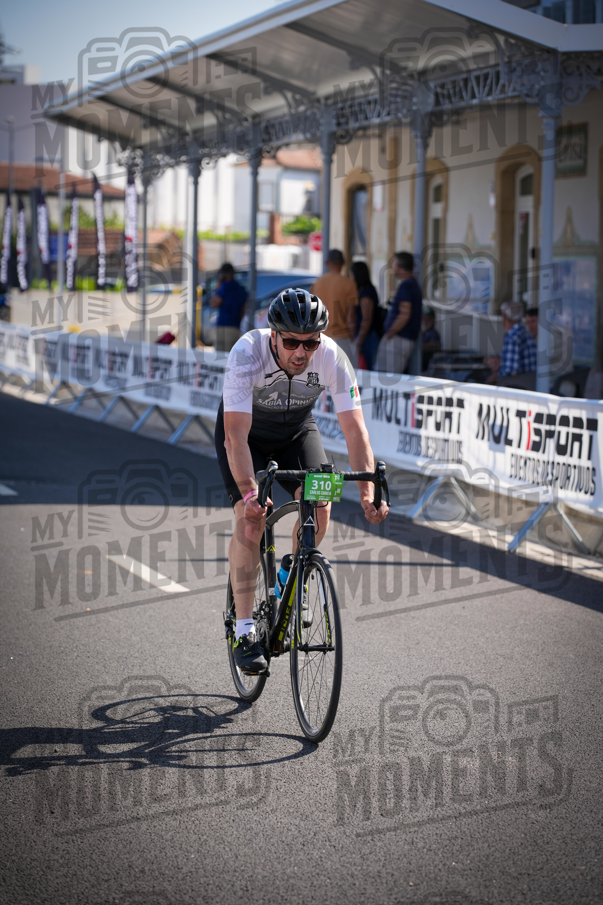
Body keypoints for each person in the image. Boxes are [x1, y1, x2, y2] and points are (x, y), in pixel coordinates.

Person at [216, 288, 389, 673]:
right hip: (245, 437)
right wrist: (249, 493)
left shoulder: (332, 357)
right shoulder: (247, 353)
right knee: (252, 519)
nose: (301, 352)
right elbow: (235, 437)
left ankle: (291, 575)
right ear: (272, 334)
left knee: (322, 503)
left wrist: (366, 492)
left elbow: (356, 432)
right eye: (291, 341)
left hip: (296, 431)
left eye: (310, 343)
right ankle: (244, 630)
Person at [375, 251, 422, 374]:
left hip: (398, 338)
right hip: (403, 338)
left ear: (399, 267)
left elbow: (405, 314)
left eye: (395, 264)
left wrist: (390, 333)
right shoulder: (412, 285)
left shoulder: (406, 285)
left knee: (386, 377)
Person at [311, 249, 358, 367]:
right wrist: (353, 339)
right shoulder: (349, 284)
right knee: (345, 378)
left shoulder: (317, 283)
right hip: (341, 338)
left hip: (320, 337)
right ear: (343, 263)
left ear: (327, 263)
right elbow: (350, 316)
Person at [484, 301, 537, 384]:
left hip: (516, 388)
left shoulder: (512, 336)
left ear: (504, 318)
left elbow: (510, 371)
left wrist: (496, 377)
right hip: (530, 385)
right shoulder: (526, 333)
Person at [348, 261, 380, 371]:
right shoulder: (363, 291)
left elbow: (367, 319)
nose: (350, 278)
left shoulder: (366, 293)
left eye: (351, 274)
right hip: (365, 336)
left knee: (367, 369)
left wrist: (359, 341)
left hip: (368, 337)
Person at [210, 262, 248, 352]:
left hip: (222, 326)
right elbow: (243, 310)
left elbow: (214, 304)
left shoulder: (223, 287)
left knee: (219, 359)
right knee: (230, 358)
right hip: (234, 327)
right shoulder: (240, 289)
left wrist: (217, 287)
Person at [421, 305, 441, 371]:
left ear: (432, 320)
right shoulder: (421, 332)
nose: (425, 321)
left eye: (427, 319)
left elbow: (436, 346)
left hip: (427, 365)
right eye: (423, 318)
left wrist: (419, 347)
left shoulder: (433, 333)